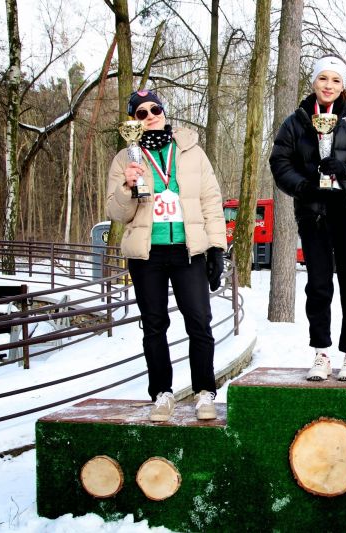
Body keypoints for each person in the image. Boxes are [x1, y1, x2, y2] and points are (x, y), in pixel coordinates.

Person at [106, 89, 227, 422]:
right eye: (141, 113)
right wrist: (126, 187)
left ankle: (205, 392)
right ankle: (161, 394)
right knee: (154, 324)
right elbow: (115, 212)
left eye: (155, 109)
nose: (150, 116)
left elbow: (210, 200)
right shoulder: (125, 158)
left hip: (188, 250)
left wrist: (216, 247)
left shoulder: (191, 151)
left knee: (199, 321)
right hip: (147, 254)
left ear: (163, 112)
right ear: (133, 120)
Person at [269, 56, 346, 382]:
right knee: (319, 284)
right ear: (313, 81)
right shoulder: (296, 121)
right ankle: (321, 352)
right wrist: (303, 186)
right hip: (314, 209)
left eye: (336, 80)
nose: (328, 85)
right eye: (323, 78)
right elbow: (280, 163)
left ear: (343, 84)